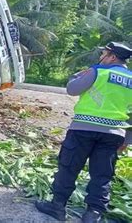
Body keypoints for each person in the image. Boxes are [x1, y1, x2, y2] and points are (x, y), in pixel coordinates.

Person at [35, 42, 132, 222]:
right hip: (114, 134)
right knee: (102, 175)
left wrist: (77, 75)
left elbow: (72, 89)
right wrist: (127, 139)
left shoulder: (98, 71)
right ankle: (93, 214)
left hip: (83, 129)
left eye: (103, 53)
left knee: (69, 167)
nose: (100, 57)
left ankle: (57, 206)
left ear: (112, 57)